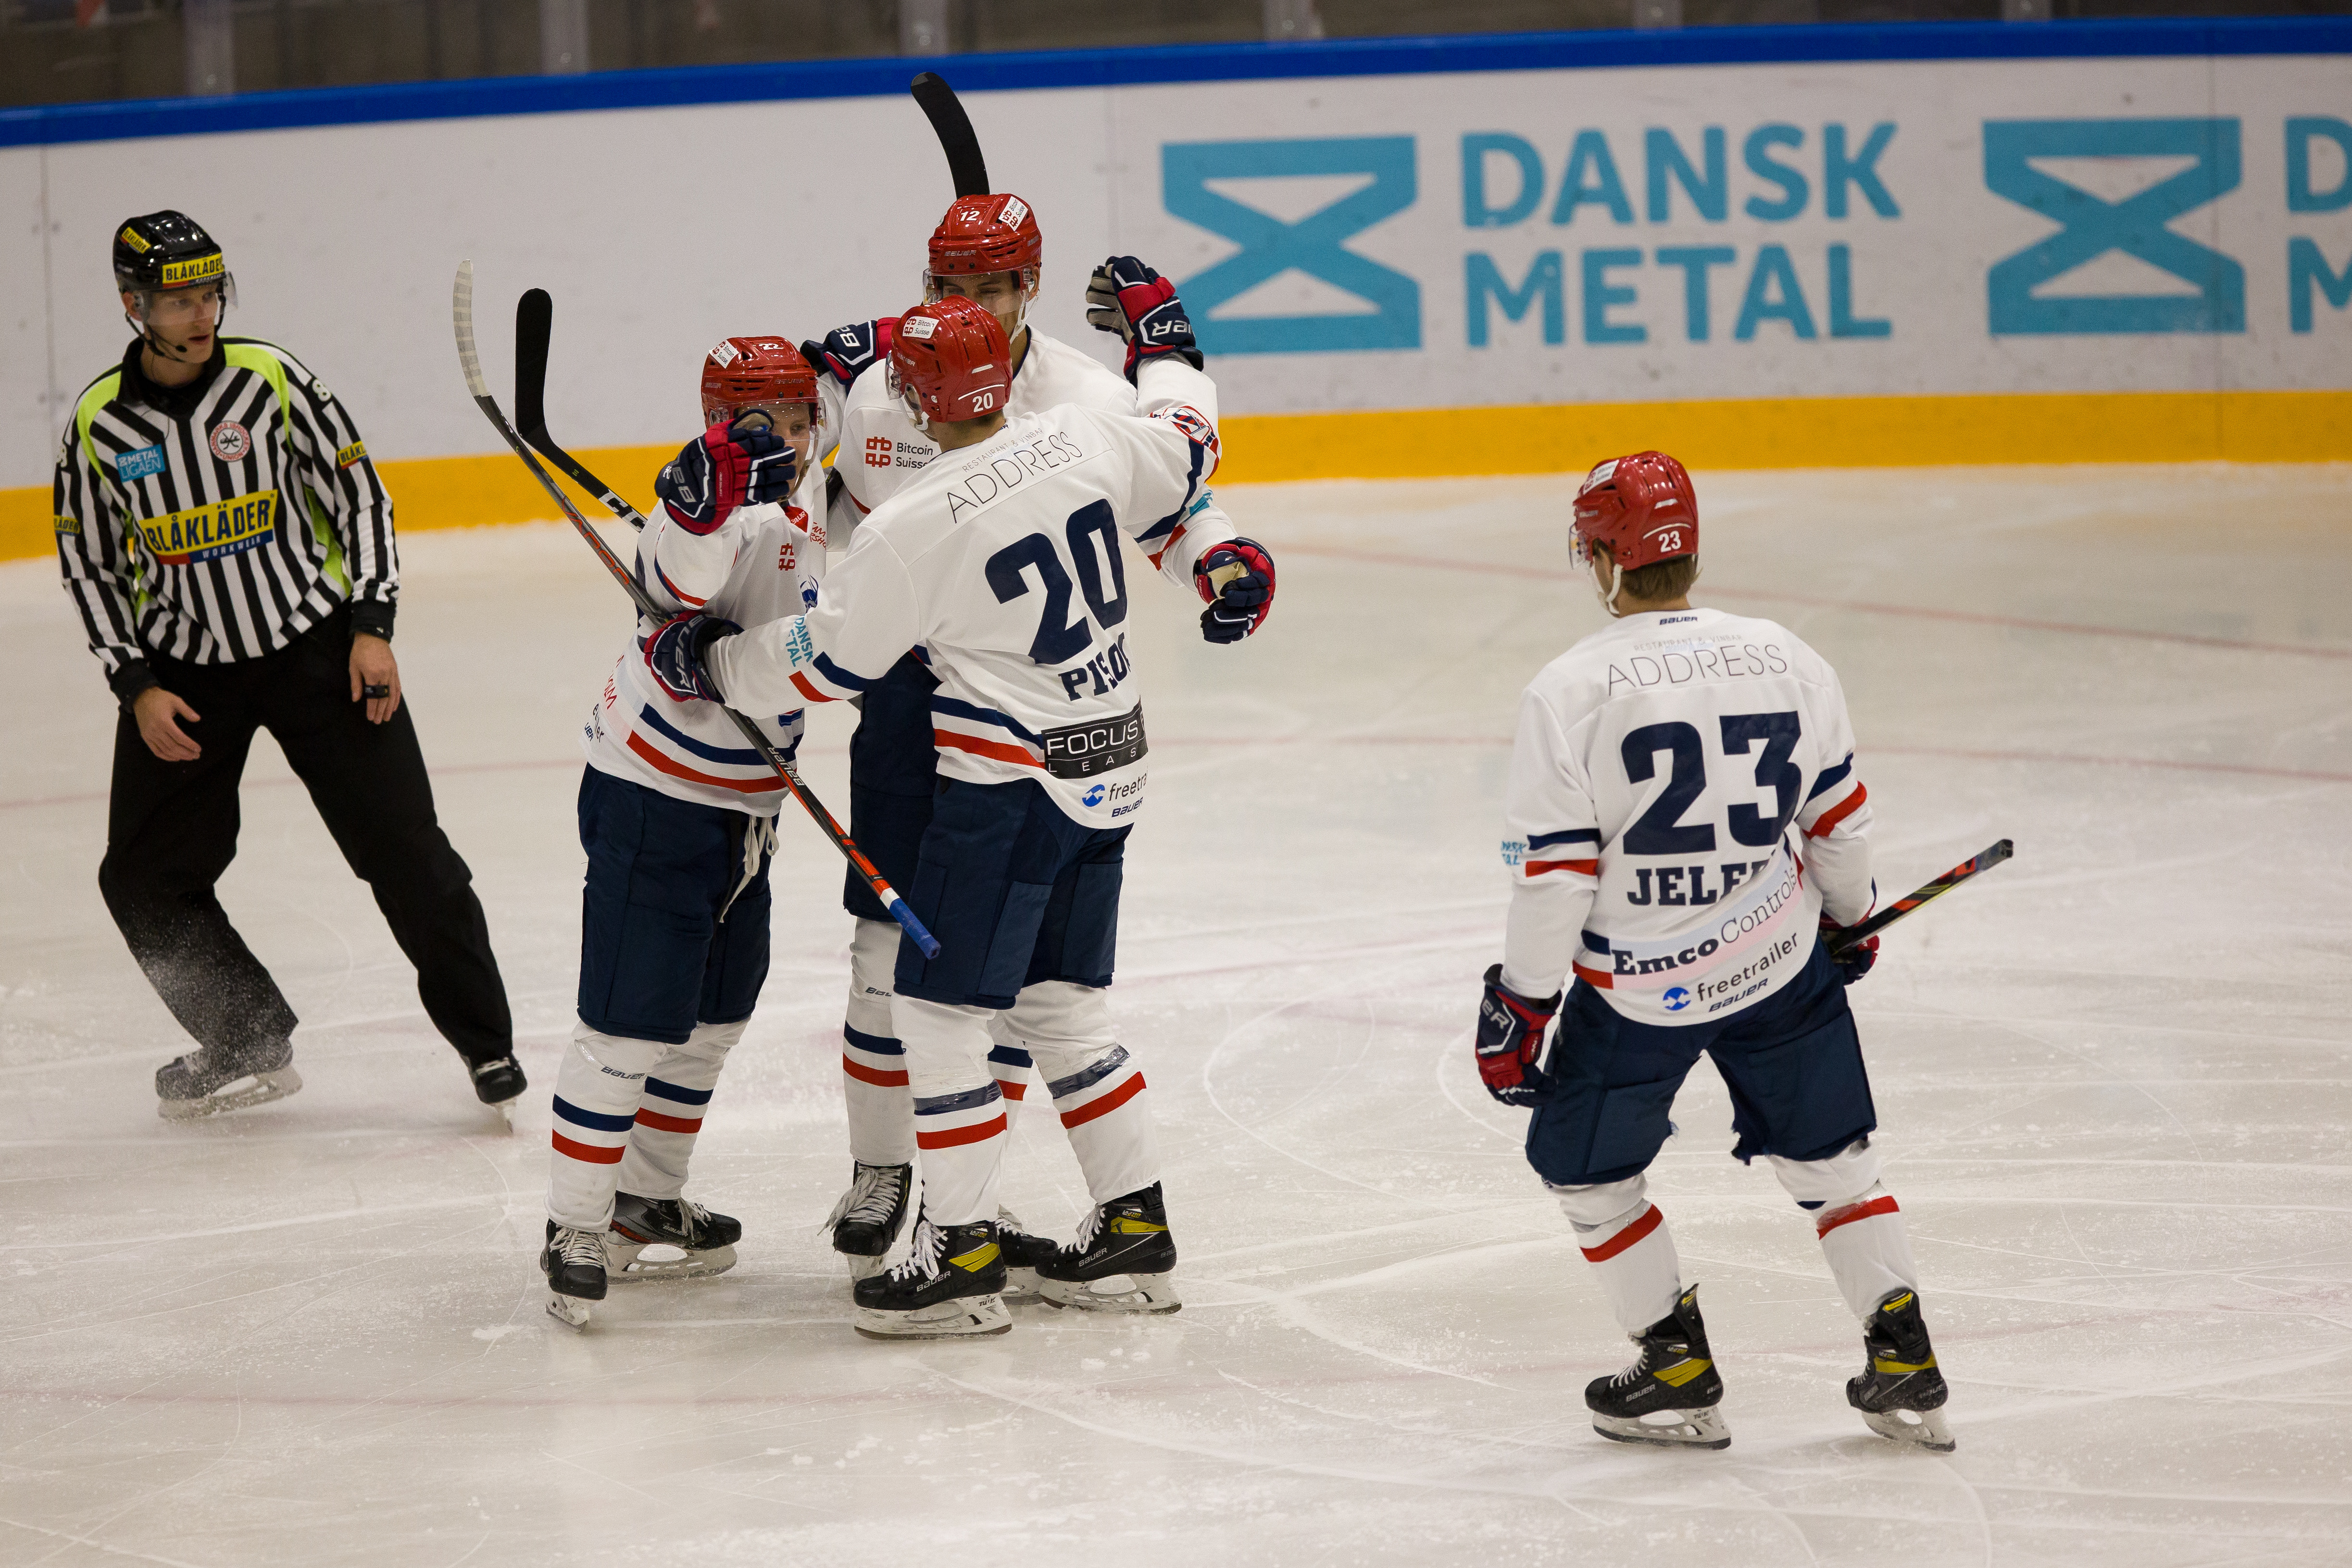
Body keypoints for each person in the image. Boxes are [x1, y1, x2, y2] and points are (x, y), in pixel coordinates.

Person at [648, 295, 1275, 1338]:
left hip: (1010, 794)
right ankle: (1135, 1226)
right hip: (1111, 768)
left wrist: (710, 658)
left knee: (936, 1017)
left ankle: (963, 1253)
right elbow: (1186, 442)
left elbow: (822, 662)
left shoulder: (917, 523)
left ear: (913, 399)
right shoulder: (1083, 432)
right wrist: (1169, 354)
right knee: (1063, 1006)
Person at [798, 194, 1253, 1281]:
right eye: (947, 286)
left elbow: (1168, 505)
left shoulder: (1083, 397)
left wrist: (1216, 557)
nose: (968, 301)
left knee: (968, 996)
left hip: (1005, 728)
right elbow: (822, 509)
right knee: (895, 961)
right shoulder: (884, 384)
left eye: (988, 286)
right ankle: (888, 1172)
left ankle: (957, 1223)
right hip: (940, 709)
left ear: (1029, 287)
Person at [1471, 451, 1953, 1452]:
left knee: (1587, 1176)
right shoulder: (1787, 655)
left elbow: (1556, 878)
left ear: (1604, 558)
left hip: (1636, 993)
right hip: (1779, 965)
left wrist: (1521, 1004)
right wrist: (1848, 918)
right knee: (1839, 1167)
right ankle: (1905, 1358)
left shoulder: (1568, 690)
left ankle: (1676, 1366)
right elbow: (1839, 825)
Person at [51, 210, 522, 1121]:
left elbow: (361, 497)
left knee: (410, 854)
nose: (201, 314)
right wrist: (136, 684)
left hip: (319, 654)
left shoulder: (272, 380)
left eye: (210, 294)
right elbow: (91, 565)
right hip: (186, 678)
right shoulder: (98, 424)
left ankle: (487, 1044)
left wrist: (372, 624)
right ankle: (243, 1036)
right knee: (142, 879)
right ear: (133, 306)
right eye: (179, 300)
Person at [538, 338, 829, 1328]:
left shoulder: (808, 492)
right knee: (626, 1025)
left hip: (748, 806)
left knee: (714, 1017)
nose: (787, 437)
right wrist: (699, 522)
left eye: (799, 417)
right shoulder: (707, 501)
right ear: (719, 422)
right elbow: (678, 561)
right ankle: (574, 1224)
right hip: (656, 797)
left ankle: (643, 1198)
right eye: (762, 421)